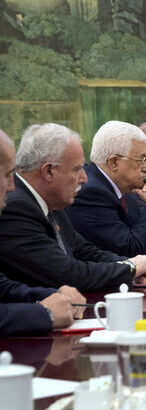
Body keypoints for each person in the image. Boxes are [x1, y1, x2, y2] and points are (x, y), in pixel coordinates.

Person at [0, 124, 146, 291]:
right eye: (77, 169)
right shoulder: (16, 208)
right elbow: (68, 274)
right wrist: (131, 268)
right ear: (48, 171)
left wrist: (137, 266)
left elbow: (88, 252)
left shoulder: (52, 203)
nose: (84, 178)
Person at [0, 128, 85, 336]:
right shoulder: (18, 206)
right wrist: (44, 313)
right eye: (7, 175)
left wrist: (55, 296)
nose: (12, 187)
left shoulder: (54, 205)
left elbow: (3, 288)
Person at [67, 121, 146, 256]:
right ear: (114, 162)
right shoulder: (91, 192)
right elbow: (131, 251)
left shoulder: (122, 188)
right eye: (141, 160)